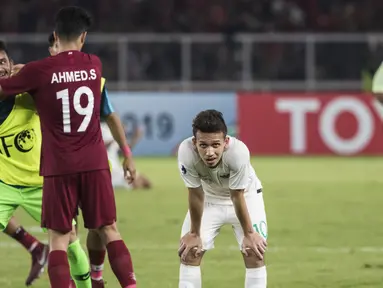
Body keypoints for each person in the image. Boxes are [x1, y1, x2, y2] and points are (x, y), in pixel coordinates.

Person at [0, 6, 137, 288]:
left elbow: (8, 87)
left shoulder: (39, 71)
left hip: (58, 167)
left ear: (55, 35)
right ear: (83, 36)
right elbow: (106, 111)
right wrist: (127, 155)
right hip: (95, 162)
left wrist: (20, 72)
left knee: (59, 239)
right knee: (109, 229)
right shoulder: (94, 65)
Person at [0, 40, 92, 288]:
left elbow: (54, 81)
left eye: (2, 62)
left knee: (70, 242)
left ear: (10, 64)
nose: (0, 68)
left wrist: (30, 69)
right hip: (4, 186)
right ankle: (34, 248)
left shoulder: (26, 95)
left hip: (43, 184)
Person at [177, 109, 268, 288]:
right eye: (203, 145)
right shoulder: (186, 152)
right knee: (190, 251)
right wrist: (194, 234)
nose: (210, 152)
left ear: (226, 142)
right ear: (194, 142)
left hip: (247, 198)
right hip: (209, 199)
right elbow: (195, 193)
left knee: (254, 251)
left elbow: (237, 195)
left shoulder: (238, 152)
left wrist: (250, 234)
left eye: (215, 145)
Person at [101, 122, 152, 190]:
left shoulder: (110, 131)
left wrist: (136, 137)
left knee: (146, 182)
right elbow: (100, 146)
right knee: (136, 183)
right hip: (108, 172)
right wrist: (117, 135)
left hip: (117, 169)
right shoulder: (101, 128)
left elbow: (125, 150)